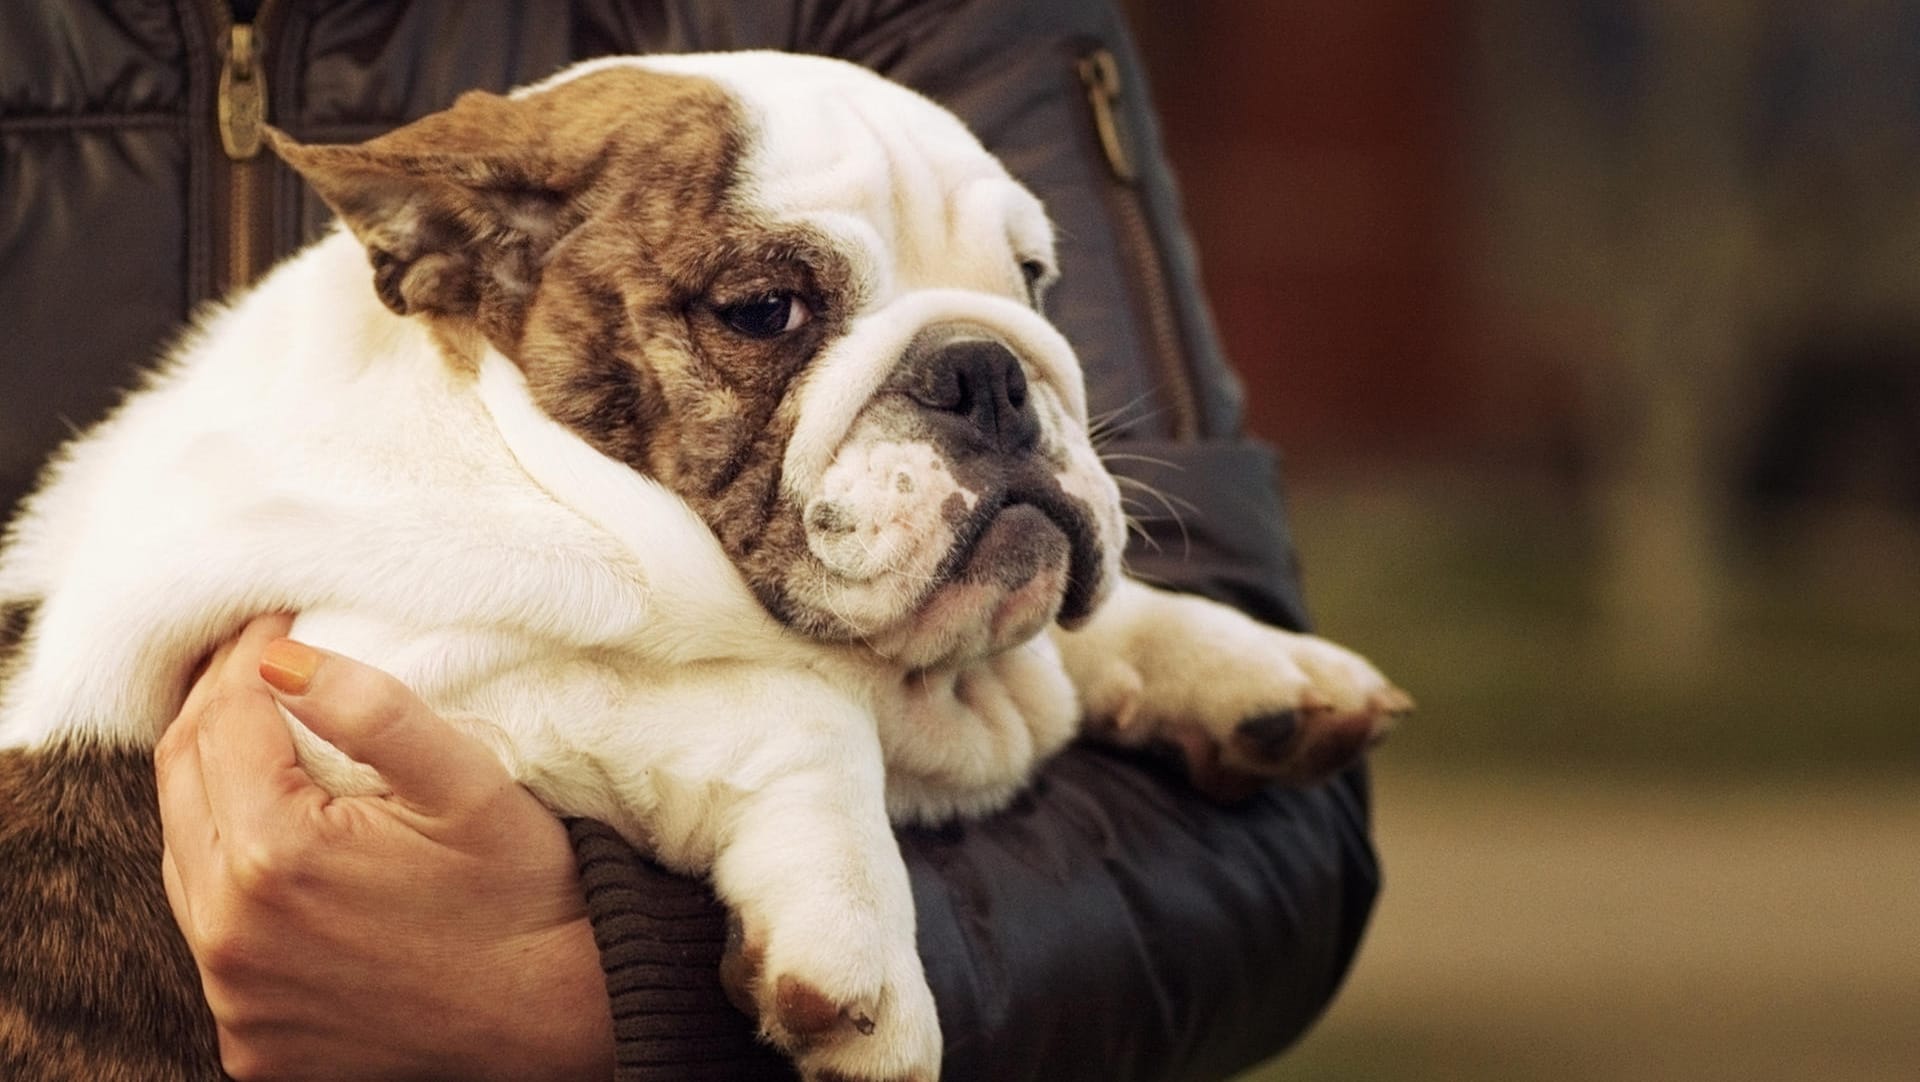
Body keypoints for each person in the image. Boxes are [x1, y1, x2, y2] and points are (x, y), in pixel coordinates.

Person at [0, 2, 1379, 1079]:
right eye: (773, 311)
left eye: (1022, 281)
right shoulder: (342, 505)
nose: (982, 388)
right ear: (461, 257)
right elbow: (346, 719)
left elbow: (1273, 865)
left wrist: (604, 994)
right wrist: (782, 766)